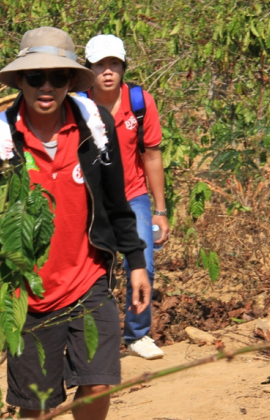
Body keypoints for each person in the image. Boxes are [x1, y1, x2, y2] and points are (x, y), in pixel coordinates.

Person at [0, 27, 151, 420]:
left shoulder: (95, 124)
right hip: (29, 293)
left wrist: (136, 261)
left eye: (58, 77)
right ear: (20, 80)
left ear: (71, 80)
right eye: (35, 77)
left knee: (99, 382)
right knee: (35, 402)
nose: (46, 87)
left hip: (88, 279)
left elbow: (116, 201)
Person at [84, 34, 170, 360]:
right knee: (94, 271)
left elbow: (152, 155)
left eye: (114, 64)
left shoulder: (139, 101)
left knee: (142, 265)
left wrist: (160, 210)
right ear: (88, 69)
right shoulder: (78, 103)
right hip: (90, 199)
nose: (108, 71)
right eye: (100, 65)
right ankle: (93, 339)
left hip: (133, 196)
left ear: (123, 67)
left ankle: (137, 334)